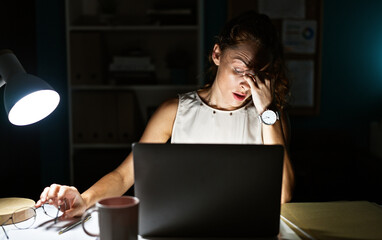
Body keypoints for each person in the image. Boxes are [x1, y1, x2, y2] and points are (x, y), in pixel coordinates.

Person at [35, 11, 295, 219]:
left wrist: (268, 112)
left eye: (258, 74)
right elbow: (125, 175)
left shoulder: (269, 117)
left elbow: (283, 194)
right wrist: (85, 199)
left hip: (245, 228)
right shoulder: (174, 111)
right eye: (239, 69)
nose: (246, 84)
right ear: (217, 54)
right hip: (185, 226)